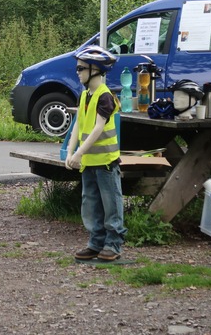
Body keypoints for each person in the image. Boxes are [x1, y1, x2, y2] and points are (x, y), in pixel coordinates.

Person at [64, 45, 126, 261]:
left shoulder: (105, 97)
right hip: (88, 161)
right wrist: (70, 151)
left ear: (95, 70)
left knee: (111, 203)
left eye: (81, 68)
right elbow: (78, 124)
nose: (78, 72)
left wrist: (79, 153)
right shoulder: (84, 96)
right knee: (90, 203)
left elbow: (99, 128)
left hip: (106, 162)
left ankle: (114, 244)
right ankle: (96, 242)